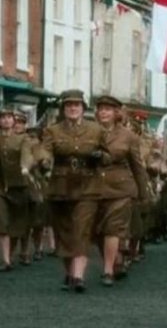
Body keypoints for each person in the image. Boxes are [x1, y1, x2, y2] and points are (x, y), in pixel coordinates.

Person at [39, 90, 109, 292]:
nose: (72, 108)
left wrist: (99, 156)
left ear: (83, 108)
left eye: (76, 105)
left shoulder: (96, 130)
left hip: (88, 186)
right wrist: (44, 161)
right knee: (64, 233)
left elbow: (107, 155)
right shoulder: (53, 131)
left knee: (82, 229)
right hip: (60, 186)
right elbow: (45, 149)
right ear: (63, 108)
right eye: (68, 105)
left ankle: (78, 277)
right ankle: (69, 273)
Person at [94, 96, 149, 286]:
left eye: (108, 109)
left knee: (113, 228)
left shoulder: (128, 136)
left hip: (121, 189)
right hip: (94, 188)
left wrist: (143, 193)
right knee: (98, 231)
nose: (103, 112)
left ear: (116, 113)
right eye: (100, 109)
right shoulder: (90, 133)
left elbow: (137, 166)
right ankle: (115, 260)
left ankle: (107, 270)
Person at [0, 107, 32, 271]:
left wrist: (25, 167)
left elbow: (26, 154)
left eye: (8, 117)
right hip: (1, 188)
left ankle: (22, 251)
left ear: (13, 121)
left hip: (19, 185)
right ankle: (6, 260)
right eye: (2, 117)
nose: (5, 120)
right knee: (3, 223)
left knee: (19, 223)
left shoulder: (22, 139)